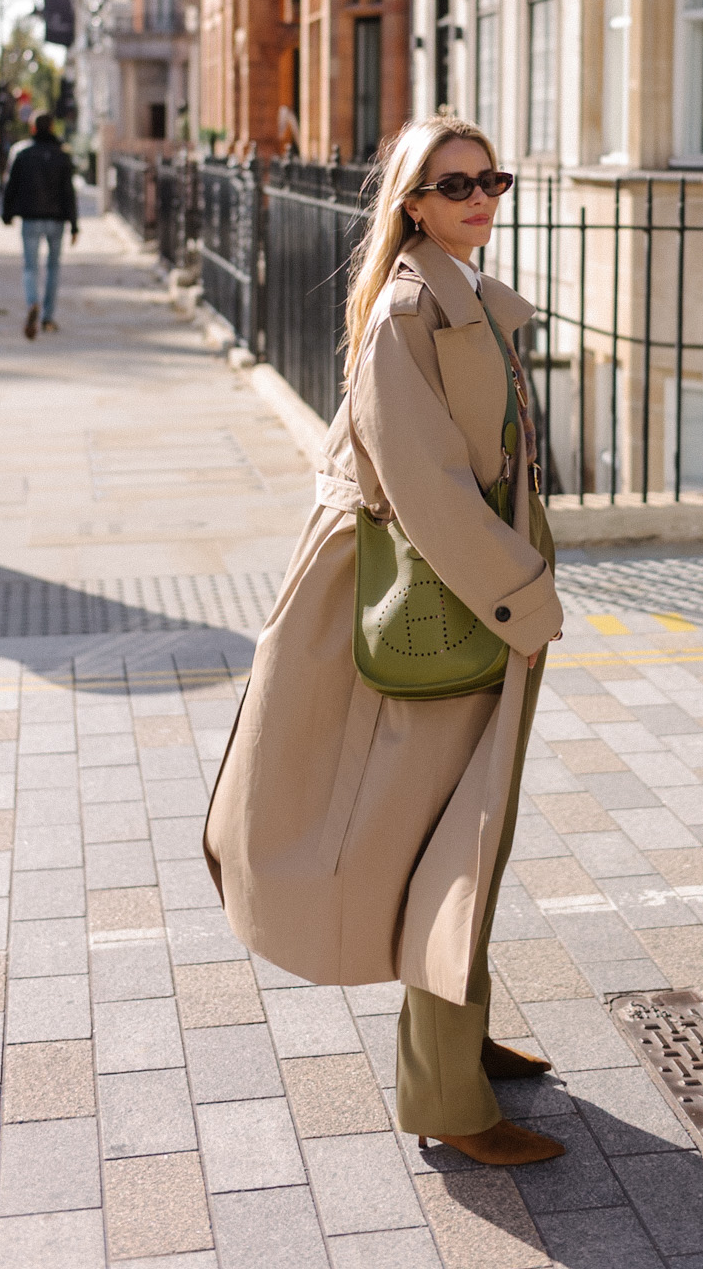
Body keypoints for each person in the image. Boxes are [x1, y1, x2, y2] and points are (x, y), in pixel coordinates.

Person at [204, 116, 566, 1166]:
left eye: (491, 179)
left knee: (472, 834)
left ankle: (462, 1035)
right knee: (439, 841)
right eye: (455, 185)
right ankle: (447, 1098)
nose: (480, 199)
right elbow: (427, 489)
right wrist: (524, 604)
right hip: (450, 604)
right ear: (412, 199)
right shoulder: (412, 310)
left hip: (479, 590)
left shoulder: (461, 295)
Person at [1, 112, 78, 339]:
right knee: (53, 268)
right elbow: (68, 193)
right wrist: (74, 225)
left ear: (33, 129)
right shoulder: (61, 156)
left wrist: (7, 214)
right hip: (56, 220)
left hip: (31, 218)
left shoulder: (22, 154)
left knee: (30, 267)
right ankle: (47, 317)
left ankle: (32, 301)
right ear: (52, 127)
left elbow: (11, 187)